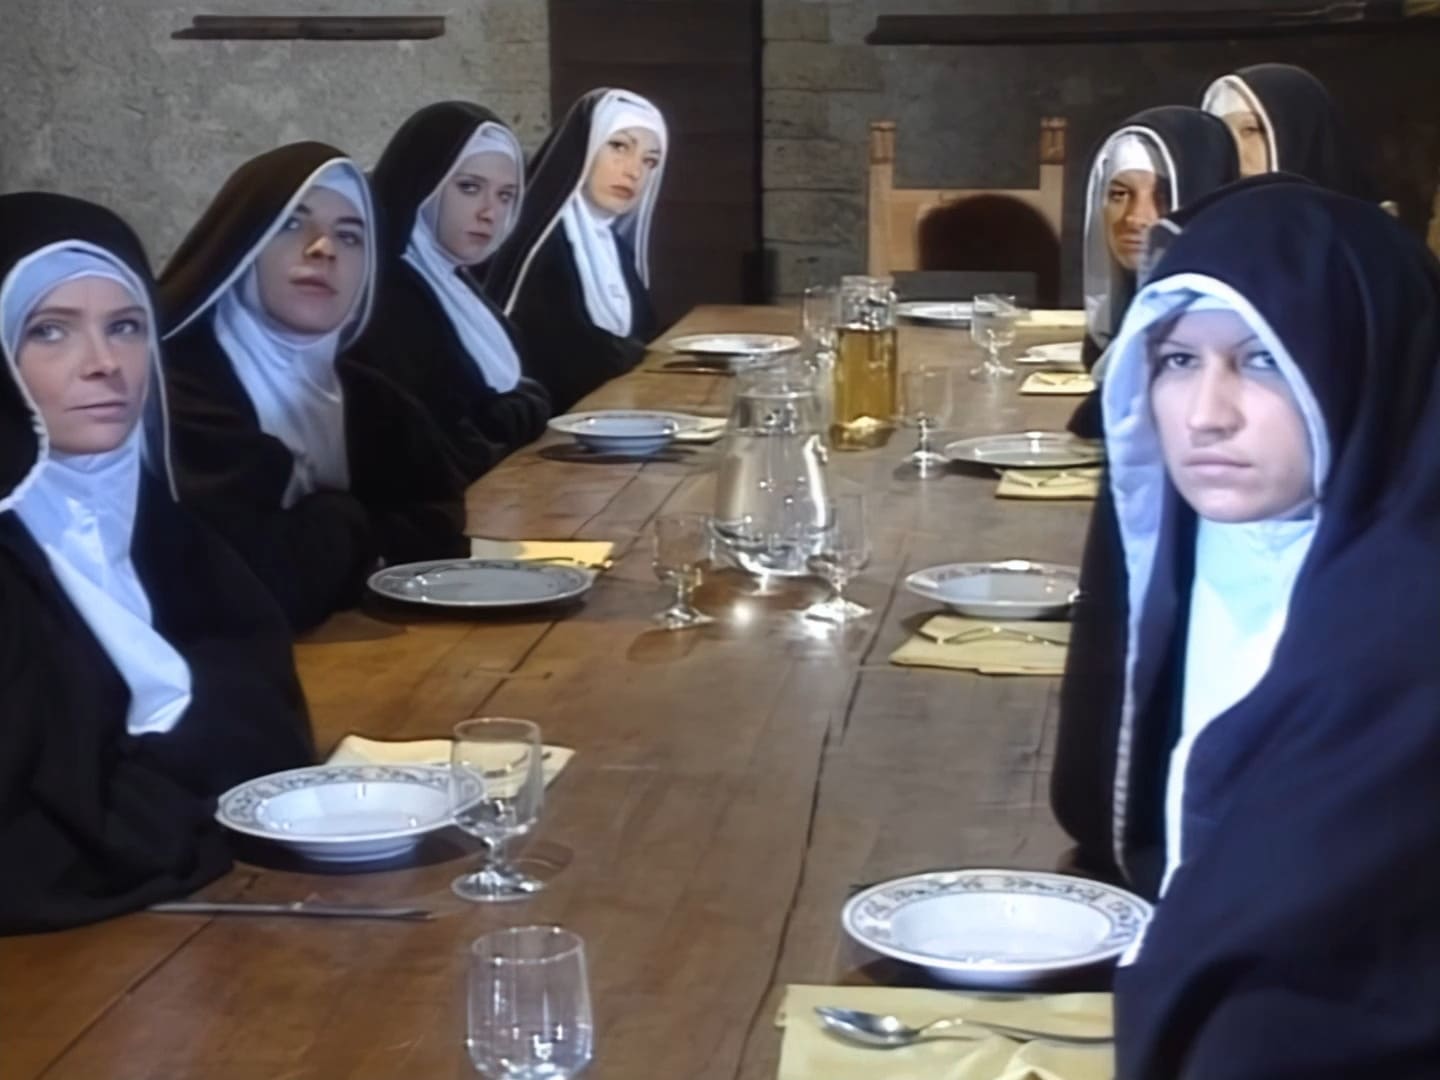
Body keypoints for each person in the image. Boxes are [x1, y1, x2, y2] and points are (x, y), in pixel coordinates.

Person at [1068, 178, 1440, 1075]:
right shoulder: (1201, 548)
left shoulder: (1409, 646)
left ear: (1369, 362)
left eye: (1263, 360)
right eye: (1177, 359)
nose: (1207, 415)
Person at [0, 193, 313, 934]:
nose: (105, 365)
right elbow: (28, 857)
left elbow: (272, 738)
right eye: (50, 331)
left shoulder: (170, 536)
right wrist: (193, 801)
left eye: (126, 326)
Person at [160, 142, 467, 632]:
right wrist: (351, 521)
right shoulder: (177, 395)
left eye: (350, 236)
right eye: (290, 224)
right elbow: (264, 585)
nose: (323, 248)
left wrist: (335, 535)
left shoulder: (373, 399)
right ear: (243, 246)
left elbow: (444, 524)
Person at [355, 101, 550, 485]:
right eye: (469, 187)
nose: (489, 212)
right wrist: (524, 407)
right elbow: (450, 445)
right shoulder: (387, 297)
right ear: (423, 183)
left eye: (506, 195)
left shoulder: (453, 281)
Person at [485, 88, 668, 413]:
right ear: (585, 148)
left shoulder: (616, 248)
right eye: (619, 146)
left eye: (649, 161)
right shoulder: (541, 247)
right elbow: (567, 361)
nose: (634, 172)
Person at [1201, 62, 1376, 199]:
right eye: (1221, 133)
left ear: (1300, 136)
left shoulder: (1366, 229)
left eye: (1251, 129)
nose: (1233, 149)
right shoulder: (1207, 229)